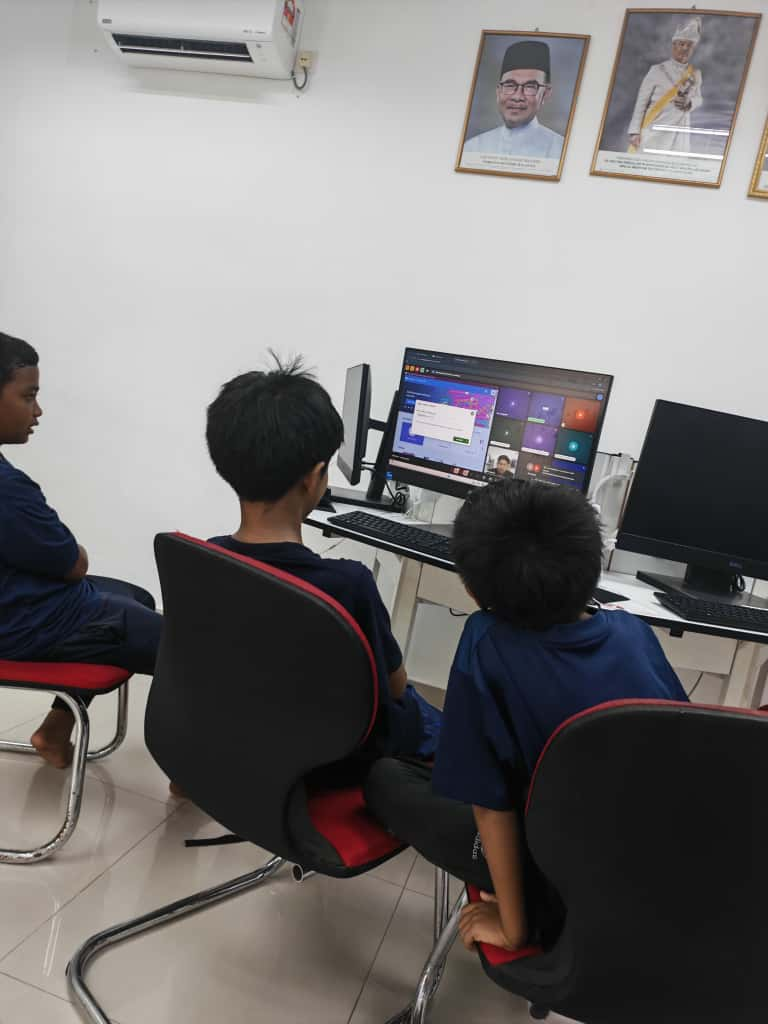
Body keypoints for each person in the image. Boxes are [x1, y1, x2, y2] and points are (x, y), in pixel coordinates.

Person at [364, 478, 688, 952]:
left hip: (553, 878)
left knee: (386, 778)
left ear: (472, 588)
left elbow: (490, 806)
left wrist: (513, 928)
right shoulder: (633, 631)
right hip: (654, 874)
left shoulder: (485, 643)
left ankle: (526, 909)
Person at [205, 355, 441, 764]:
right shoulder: (348, 584)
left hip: (243, 740)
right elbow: (395, 688)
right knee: (445, 726)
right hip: (335, 759)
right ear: (314, 477)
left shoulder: (208, 558)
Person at [0, 332, 163, 769]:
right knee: (190, 650)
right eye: (28, 396)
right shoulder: (8, 489)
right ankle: (193, 770)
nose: (38, 411)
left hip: (16, 609)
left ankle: (54, 731)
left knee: (133, 596)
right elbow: (75, 564)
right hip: (30, 627)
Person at [463, 40, 564, 160]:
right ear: (498, 91)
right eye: (510, 85)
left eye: (530, 87)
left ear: (545, 94)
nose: (517, 97)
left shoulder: (560, 151)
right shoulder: (473, 148)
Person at [627, 17, 703, 154]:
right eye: (681, 44)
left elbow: (699, 98)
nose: (685, 48)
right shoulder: (657, 70)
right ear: (674, 45)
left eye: (689, 45)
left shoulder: (696, 74)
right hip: (655, 130)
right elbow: (641, 103)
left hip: (681, 131)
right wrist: (634, 132)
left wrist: (690, 103)